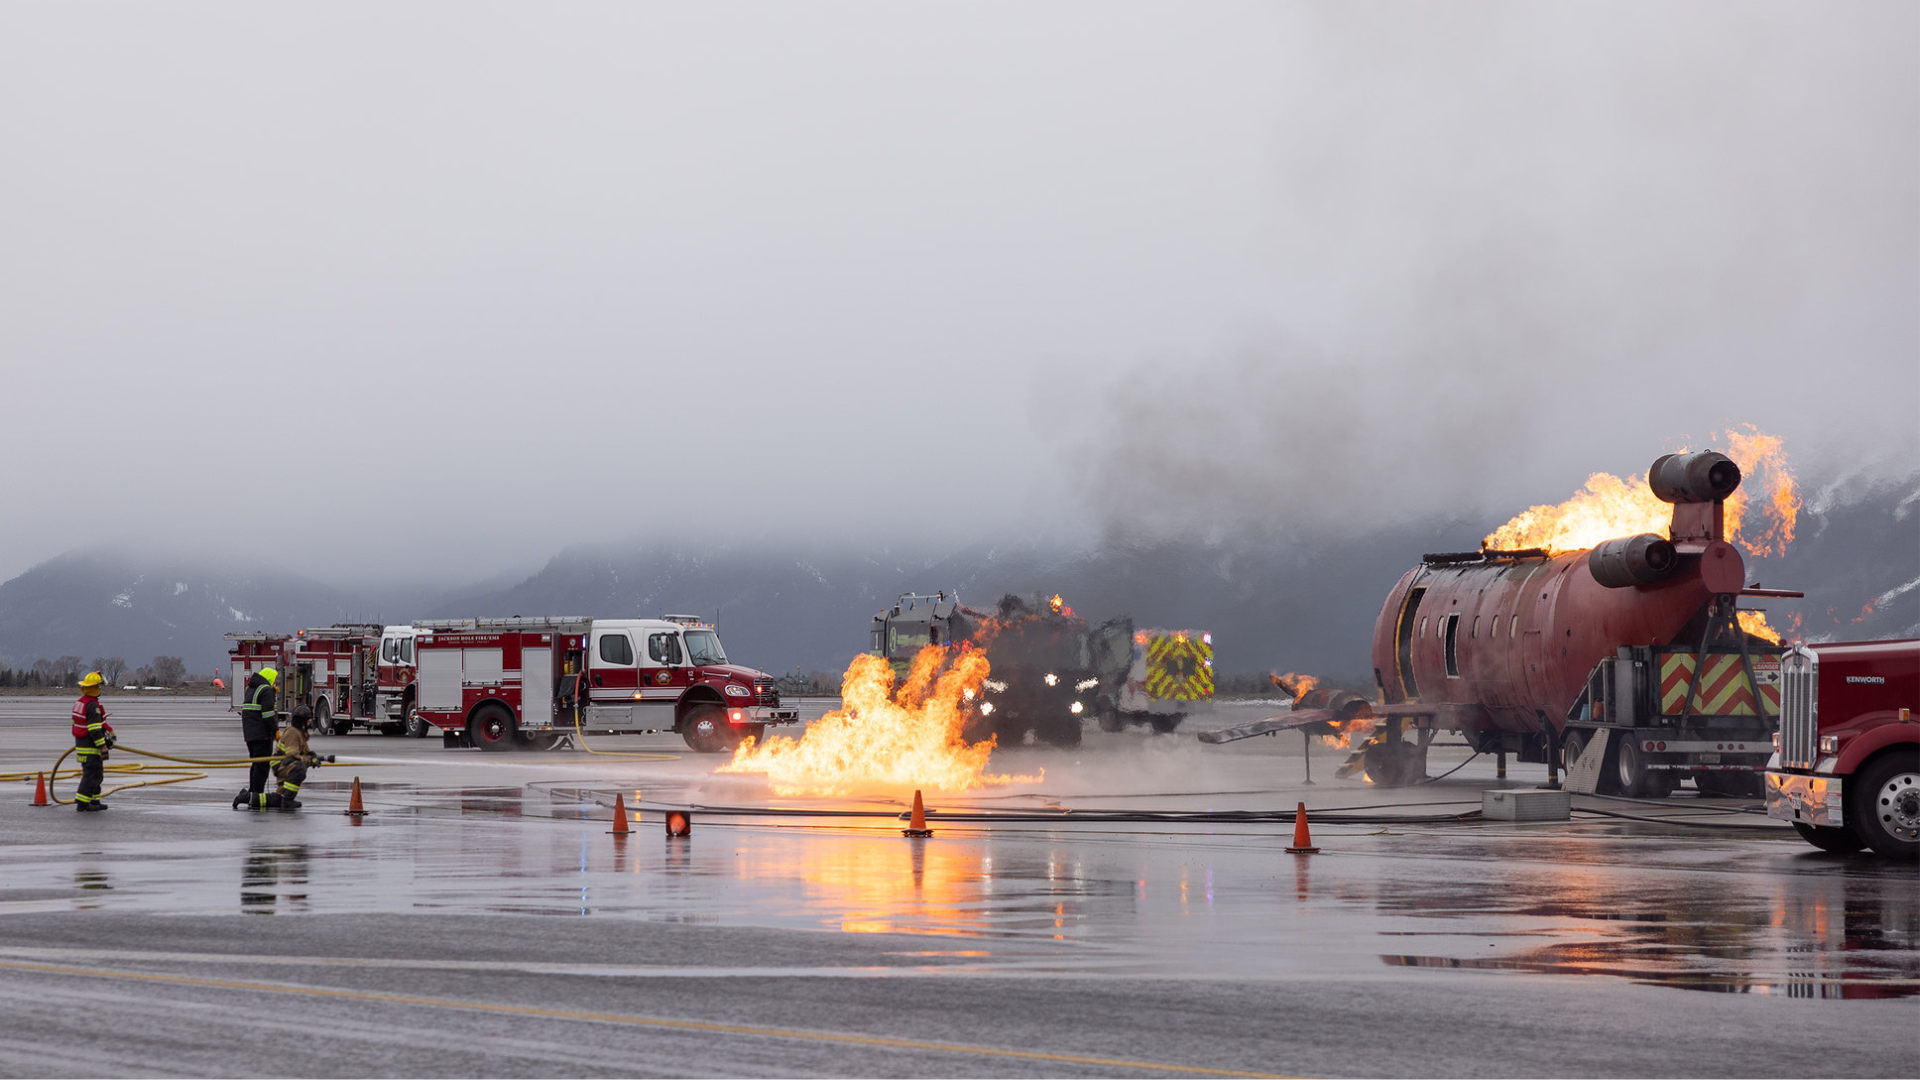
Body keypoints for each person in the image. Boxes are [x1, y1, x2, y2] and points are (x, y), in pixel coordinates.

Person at [232, 667, 278, 810]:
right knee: (262, 766)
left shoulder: (252, 688)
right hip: (262, 734)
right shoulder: (266, 690)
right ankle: (256, 795)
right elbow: (268, 715)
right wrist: (275, 730)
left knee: (256, 764)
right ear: (270, 679)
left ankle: (253, 792)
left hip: (251, 734)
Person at [262, 706, 321, 810]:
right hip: (281, 764)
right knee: (299, 769)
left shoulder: (301, 733)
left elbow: (303, 752)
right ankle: (288, 800)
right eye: (308, 720)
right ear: (304, 721)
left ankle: (248, 797)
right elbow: (292, 755)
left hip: (286, 763)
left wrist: (312, 756)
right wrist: (309, 760)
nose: (310, 722)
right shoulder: (293, 732)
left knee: (277, 799)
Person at [71, 672, 115, 811]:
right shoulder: (92, 705)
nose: (100, 689)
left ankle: (95, 801)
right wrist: (103, 745)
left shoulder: (82, 702)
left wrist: (109, 733)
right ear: (94, 688)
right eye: (99, 687)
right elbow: (94, 730)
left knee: (97, 774)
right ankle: (83, 803)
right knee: (92, 775)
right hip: (90, 746)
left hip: (84, 744)